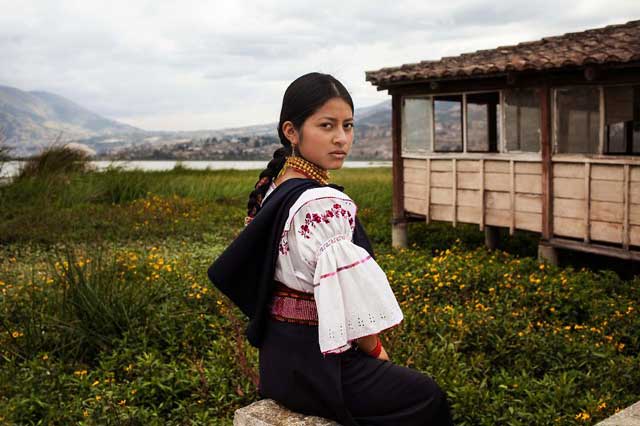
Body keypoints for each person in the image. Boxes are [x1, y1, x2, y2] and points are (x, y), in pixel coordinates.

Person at [208, 72, 453, 425]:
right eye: (327, 126)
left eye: (348, 126)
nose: (341, 139)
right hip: (322, 366)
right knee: (427, 395)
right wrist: (378, 352)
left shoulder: (273, 186)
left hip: (280, 362)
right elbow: (348, 299)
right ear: (291, 131)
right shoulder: (322, 201)